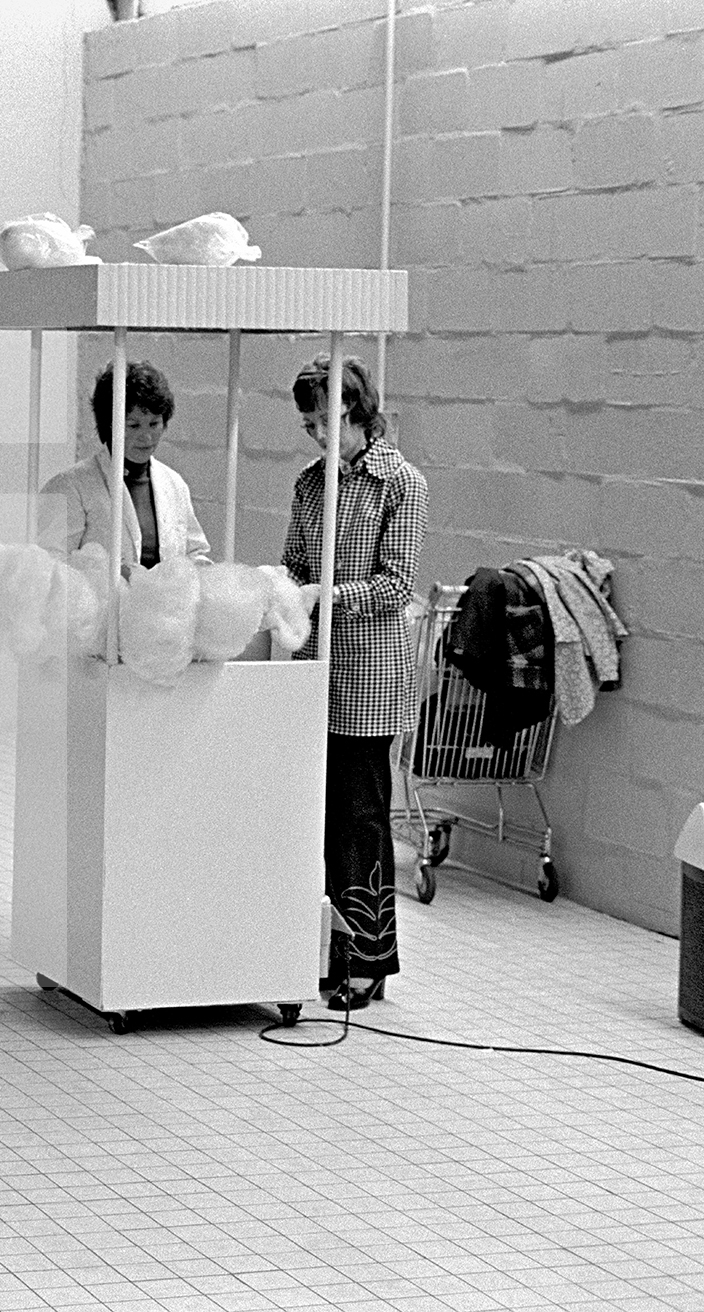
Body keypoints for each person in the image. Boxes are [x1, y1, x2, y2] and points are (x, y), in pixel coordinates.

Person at [280, 354, 429, 1011]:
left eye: (328, 420)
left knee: (361, 819)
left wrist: (324, 595)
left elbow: (396, 585)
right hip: (315, 667)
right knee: (314, 819)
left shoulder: (400, 483)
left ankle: (371, 960)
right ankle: (329, 953)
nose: (318, 434)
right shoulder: (311, 485)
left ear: (359, 410)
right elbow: (292, 561)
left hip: (368, 674)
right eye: (309, 423)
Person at [37, 359, 212, 570]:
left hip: (162, 603)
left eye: (154, 423)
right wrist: (111, 574)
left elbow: (194, 552)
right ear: (109, 424)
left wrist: (205, 572)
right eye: (134, 425)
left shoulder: (174, 484)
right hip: (100, 602)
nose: (146, 436)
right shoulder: (71, 487)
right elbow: (49, 563)